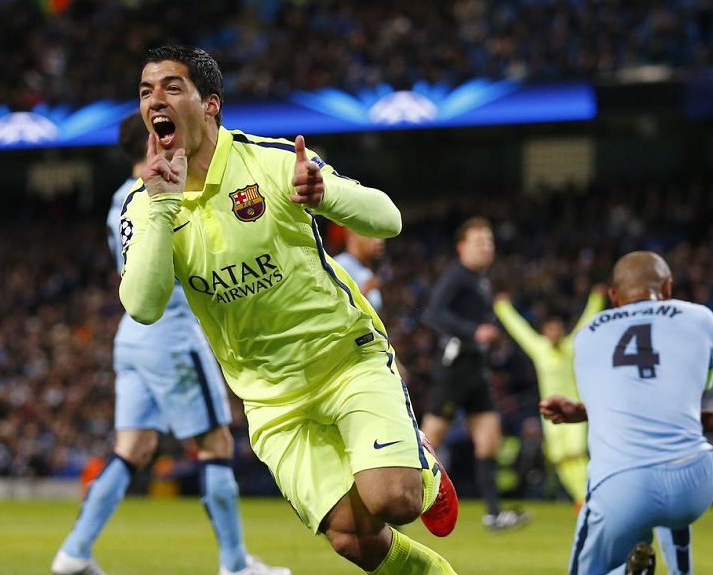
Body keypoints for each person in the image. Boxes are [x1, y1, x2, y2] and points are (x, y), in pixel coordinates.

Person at [119, 45, 460, 575]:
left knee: (395, 499)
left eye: (171, 87)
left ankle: (427, 471)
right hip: (271, 400)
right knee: (354, 539)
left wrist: (326, 195)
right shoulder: (145, 205)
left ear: (210, 104)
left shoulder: (272, 160)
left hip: (344, 358)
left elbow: (387, 218)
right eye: (145, 91)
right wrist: (163, 205)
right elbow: (142, 305)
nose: (154, 99)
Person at [51, 112, 290, 575]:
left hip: (133, 337)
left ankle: (74, 554)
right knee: (216, 444)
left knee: (133, 449)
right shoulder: (160, 192)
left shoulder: (119, 199)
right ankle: (235, 564)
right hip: (173, 332)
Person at [539, 251, 713, 575]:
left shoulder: (588, 334)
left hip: (624, 487)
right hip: (696, 481)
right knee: (671, 474)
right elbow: (676, 405)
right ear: (667, 288)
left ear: (614, 296)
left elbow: (624, 407)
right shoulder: (700, 318)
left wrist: (580, 411)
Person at [419, 216, 530, 532]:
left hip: (475, 369)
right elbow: (434, 313)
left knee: (489, 440)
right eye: (480, 241)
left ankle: (494, 514)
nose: (486, 247)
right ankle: (404, 502)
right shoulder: (457, 276)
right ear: (461, 247)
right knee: (430, 440)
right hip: (454, 370)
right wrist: (474, 331)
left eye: (489, 242)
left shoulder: (480, 279)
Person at [493, 285, 607, 508]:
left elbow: (587, 322)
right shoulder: (540, 349)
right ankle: (581, 497)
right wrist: (502, 307)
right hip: (552, 412)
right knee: (560, 457)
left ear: (562, 331)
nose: (554, 333)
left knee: (576, 453)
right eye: (550, 330)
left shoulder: (571, 346)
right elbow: (519, 329)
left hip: (574, 409)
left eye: (558, 329)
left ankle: (585, 497)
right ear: (545, 332)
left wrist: (596, 299)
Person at [333, 229, 385, 312]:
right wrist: (363, 293)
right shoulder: (339, 265)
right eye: (372, 236)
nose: (379, 241)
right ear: (353, 235)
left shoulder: (366, 270)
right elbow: (333, 309)